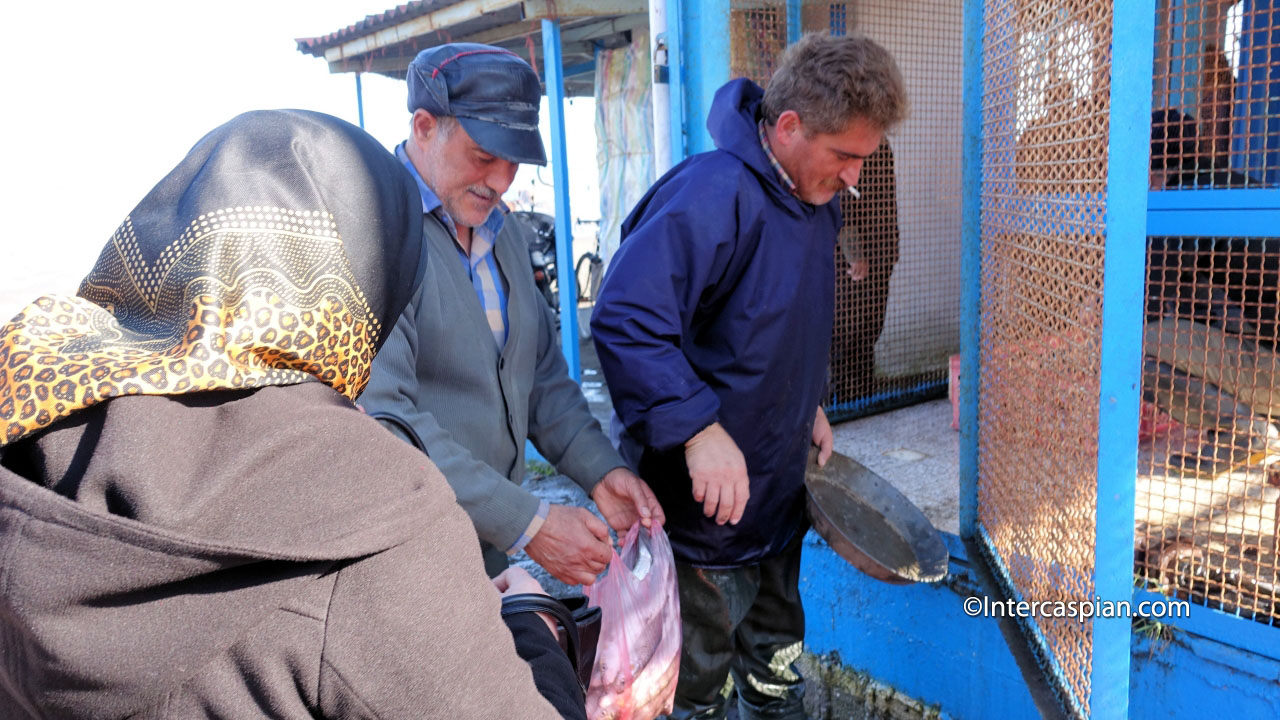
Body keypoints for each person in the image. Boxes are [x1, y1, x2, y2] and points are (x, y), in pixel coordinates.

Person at [0, 109, 585, 719]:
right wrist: (533, 629)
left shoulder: (33, 409)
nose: (501, 178)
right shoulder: (374, 508)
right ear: (370, 280)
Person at [591, 33, 907, 720]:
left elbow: (783, 321)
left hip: (775, 499)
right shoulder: (711, 193)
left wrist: (809, 402)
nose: (854, 176)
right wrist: (697, 428)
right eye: (845, 156)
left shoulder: (817, 202)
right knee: (693, 688)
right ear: (789, 127)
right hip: (699, 519)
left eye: (864, 159)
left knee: (777, 675)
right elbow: (625, 320)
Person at [359, 43, 663, 588]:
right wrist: (528, 522)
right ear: (424, 126)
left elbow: (541, 378)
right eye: (483, 156)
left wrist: (602, 470)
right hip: (401, 564)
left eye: (514, 159)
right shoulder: (376, 233)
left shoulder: (506, 235)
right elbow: (384, 423)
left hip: (484, 560)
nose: (500, 180)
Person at [831, 138, 900, 403]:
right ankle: (844, 401)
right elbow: (841, 200)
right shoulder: (849, 140)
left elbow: (885, 202)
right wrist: (854, 252)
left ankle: (863, 399)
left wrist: (885, 254)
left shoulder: (879, 144)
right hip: (854, 263)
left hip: (880, 256)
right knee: (845, 335)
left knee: (869, 331)